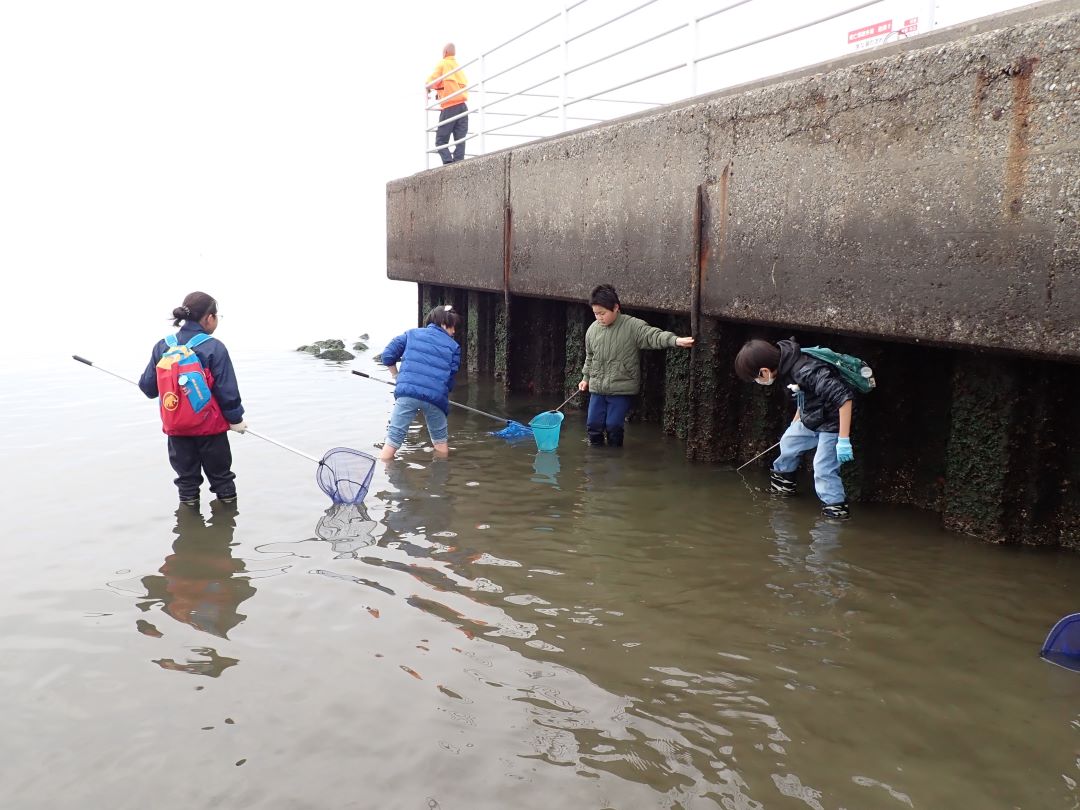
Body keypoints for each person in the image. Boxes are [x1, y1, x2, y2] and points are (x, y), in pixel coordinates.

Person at [138, 291, 247, 506]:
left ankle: (189, 528)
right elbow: (227, 391)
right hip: (211, 429)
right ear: (209, 318)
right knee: (222, 479)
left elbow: (148, 388)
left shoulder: (163, 346)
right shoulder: (214, 347)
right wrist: (236, 420)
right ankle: (226, 526)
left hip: (177, 430)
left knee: (186, 483)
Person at [734, 338, 856, 520]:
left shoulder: (806, 370)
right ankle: (782, 490)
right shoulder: (784, 367)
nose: (757, 381)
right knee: (788, 443)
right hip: (812, 416)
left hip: (833, 422)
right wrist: (795, 423)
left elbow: (844, 398)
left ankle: (835, 512)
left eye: (756, 378)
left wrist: (843, 439)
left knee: (823, 468)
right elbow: (803, 395)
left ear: (764, 371)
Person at [577, 284, 694, 447]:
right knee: (593, 426)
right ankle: (595, 458)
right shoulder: (592, 330)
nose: (599, 318)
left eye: (602, 313)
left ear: (616, 307)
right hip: (597, 387)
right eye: (596, 314)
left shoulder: (633, 326)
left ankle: (614, 458)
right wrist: (585, 378)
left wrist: (675, 340)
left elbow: (653, 336)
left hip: (621, 388)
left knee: (614, 426)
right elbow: (590, 357)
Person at [378, 304, 461, 460]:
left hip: (407, 394)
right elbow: (450, 379)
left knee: (392, 442)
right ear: (443, 324)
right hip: (436, 399)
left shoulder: (411, 334)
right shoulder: (454, 347)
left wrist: (396, 377)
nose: (454, 331)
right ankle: (440, 480)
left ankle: (383, 476)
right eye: (452, 327)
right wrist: (442, 393)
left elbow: (387, 356)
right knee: (440, 444)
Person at [426, 43, 469, 164]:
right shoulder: (458, 66)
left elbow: (432, 80)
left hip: (450, 106)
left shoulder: (443, 63)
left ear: (445, 53)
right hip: (463, 106)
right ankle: (458, 162)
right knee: (460, 139)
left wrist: (428, 87)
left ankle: (448, 162)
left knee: (440, 140)